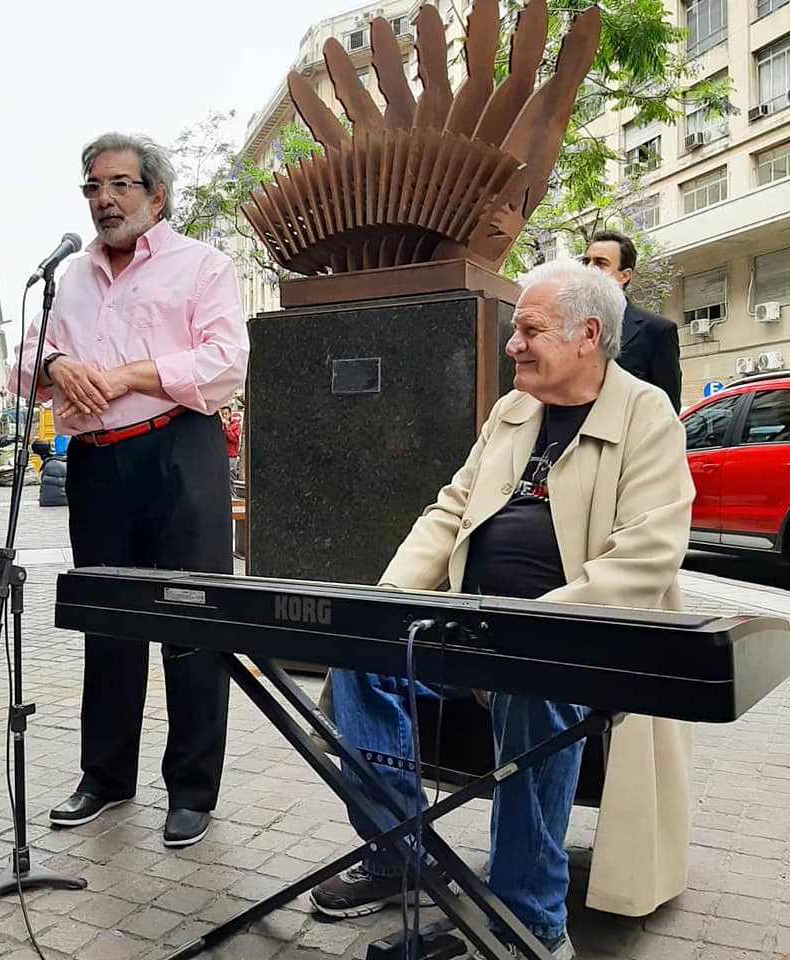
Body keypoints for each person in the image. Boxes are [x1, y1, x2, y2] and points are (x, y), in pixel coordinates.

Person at [309, 261, 695, 959]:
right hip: (473, 633)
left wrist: (519, 638)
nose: (512, 344)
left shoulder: (647, 415)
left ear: (587, 335)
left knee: (534, 683)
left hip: (578, 647)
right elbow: (449, 508)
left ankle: (532, 923)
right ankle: (399, 853)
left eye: (528, 330)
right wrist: (389, 603)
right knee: (359, 660)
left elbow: (645, 557)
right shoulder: (512, 410)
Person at [10, 132, 249, 847]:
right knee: (109, 621)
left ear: (156, 194)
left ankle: (192, 790)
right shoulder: (69, 278)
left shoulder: (201, 265)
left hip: (180, 451)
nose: (104, 200)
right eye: (92, 187)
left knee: (191, 621)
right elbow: (25, 360)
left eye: (119, 184)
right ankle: (107, 778)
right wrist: (56, 361)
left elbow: (225, 362)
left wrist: (128, 375)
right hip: (95, 464)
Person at [581, 230, 681, 411]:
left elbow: (667, 409)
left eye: (601, 263)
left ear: (625, 275)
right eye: (586, 262)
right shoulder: (567, 323)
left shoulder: (656, 331)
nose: (589, 269)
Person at [220, 404, 241, 479]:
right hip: (222, 454)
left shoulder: (236, 425)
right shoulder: (220, 425)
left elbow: (234, 439)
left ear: (230, 414)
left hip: (231, 455)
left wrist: (227, 427)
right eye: (222, 414)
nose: (224, 416)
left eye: (226, 414)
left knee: (230, 478)